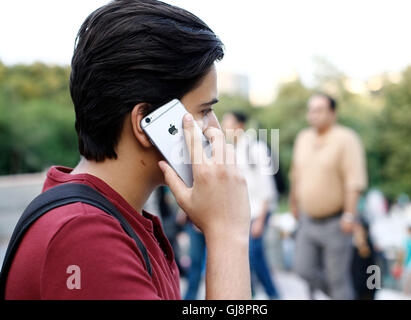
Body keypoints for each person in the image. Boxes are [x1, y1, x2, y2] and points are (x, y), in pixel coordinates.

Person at [5, 0, 251, 300]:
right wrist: (228, 234)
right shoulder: (84, 238)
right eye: (203, 111)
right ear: (146, 123)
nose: (214, 130)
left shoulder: (105, 220)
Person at [289, 93, 367, 300]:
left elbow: (354, 180)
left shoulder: (346, 138)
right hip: (307, 220)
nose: (313, 115)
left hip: (336, 222)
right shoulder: (303, 138)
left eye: (319, 110)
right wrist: (293, 203)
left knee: (337, 278)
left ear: (332, 113)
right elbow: (295, 174)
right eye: (310, 110)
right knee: (302, 269)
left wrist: (349, 215)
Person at [222, 111, 280, 300]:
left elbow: (267, 186)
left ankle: (271, 294)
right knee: (251, 257)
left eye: (228, 122)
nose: (224, 126)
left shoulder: (256, 148)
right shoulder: (234, 150)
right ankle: (256, 294)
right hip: (244, 213)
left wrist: (261, 219)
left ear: (240, 125)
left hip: (258, 212)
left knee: (253, 255)